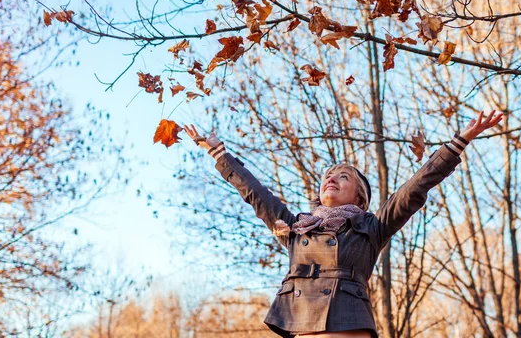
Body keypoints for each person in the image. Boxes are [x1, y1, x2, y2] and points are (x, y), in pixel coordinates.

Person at [185, 110, 503, 338]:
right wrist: (219, 153)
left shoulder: (371, 226)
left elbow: (415, 188)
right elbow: (256, 194)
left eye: (343, 176)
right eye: (328, 176)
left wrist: (457, 143)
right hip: (300, 321)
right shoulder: (295, 228)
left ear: (360, 197)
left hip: (348, 322)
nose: (331, 179)